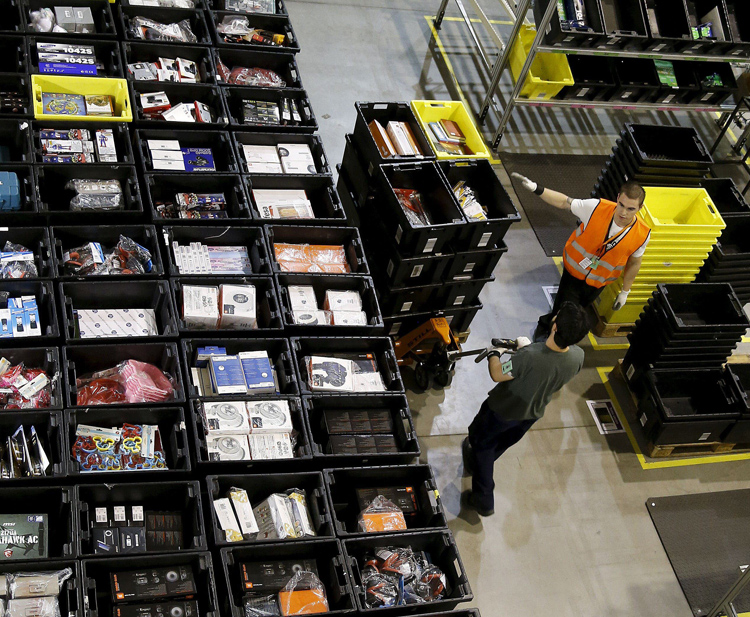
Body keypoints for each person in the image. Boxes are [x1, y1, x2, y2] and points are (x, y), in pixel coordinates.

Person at [462, 301, 590, 517]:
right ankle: (479, 463)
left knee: (482, 444)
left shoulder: (529, 356)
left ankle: (483, 498)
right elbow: (549, 366)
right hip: (531, 413)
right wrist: (528, 349)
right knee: (501, 443)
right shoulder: (578, 356)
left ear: (555, 326)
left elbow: (498, 374)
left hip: (502, 411)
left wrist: (494, 354)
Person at [511, 173, 651, 341]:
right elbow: (564, 202)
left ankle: (555, 334)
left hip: (598, 283)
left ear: (640, 208)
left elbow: (634, 263)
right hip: (574, 273)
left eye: (630, 209)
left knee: (577, 310)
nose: (623, 212)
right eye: (621, 205)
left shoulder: (642, 234)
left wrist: (625, 292)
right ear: (618, 197)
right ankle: (548, 332)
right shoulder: (596, 208)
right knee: (562, 310)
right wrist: (537, 188)